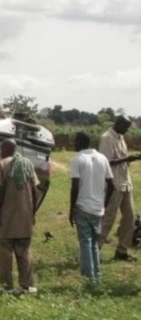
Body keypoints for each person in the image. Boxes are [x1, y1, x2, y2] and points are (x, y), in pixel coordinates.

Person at [0, 139, 39, 294]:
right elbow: (35, 191)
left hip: (8, 214)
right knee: (24, 250)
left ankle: (7, 286)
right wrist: (33, 212)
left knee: (6, 251)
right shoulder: (27, 164)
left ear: (3, 150)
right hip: (25, 214)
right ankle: (27, 285)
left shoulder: (2, 165)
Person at [69, 132, 114, 283]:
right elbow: (111, 185)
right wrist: (104, 203)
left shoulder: (77, 159)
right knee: (94, 242)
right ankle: (97, 275)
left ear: (81, 142)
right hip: (98, 208)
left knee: (85, 242)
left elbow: (75, 186)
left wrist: (71, 209)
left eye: (75, 141)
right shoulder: (103, 158)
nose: (74, 144)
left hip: (83, 206)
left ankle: (90, 278)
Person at [98, 115, 141, 261]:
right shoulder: (107, 138)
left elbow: (121, 159)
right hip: (114, 184)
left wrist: (128, 160)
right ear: (118, 123)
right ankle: (93, 252)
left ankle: (121, 251)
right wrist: (128, 159)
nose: (128, 129)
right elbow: (106, 162)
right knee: (108, 219)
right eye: (126, 126)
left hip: (125, 183)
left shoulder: (120, 137)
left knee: (129, 218)